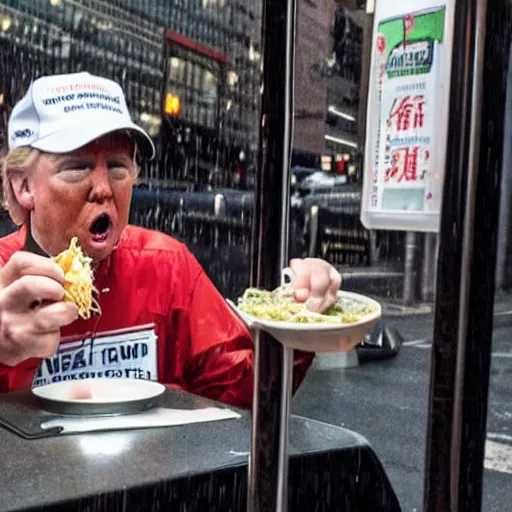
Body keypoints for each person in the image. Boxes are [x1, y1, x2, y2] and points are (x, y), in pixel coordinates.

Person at [0, 72, 342, 408]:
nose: (104, 189)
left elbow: (241, 389)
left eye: (118, 167)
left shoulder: (166, 266)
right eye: (76, 167)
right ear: (23, 186)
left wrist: (297, 323)